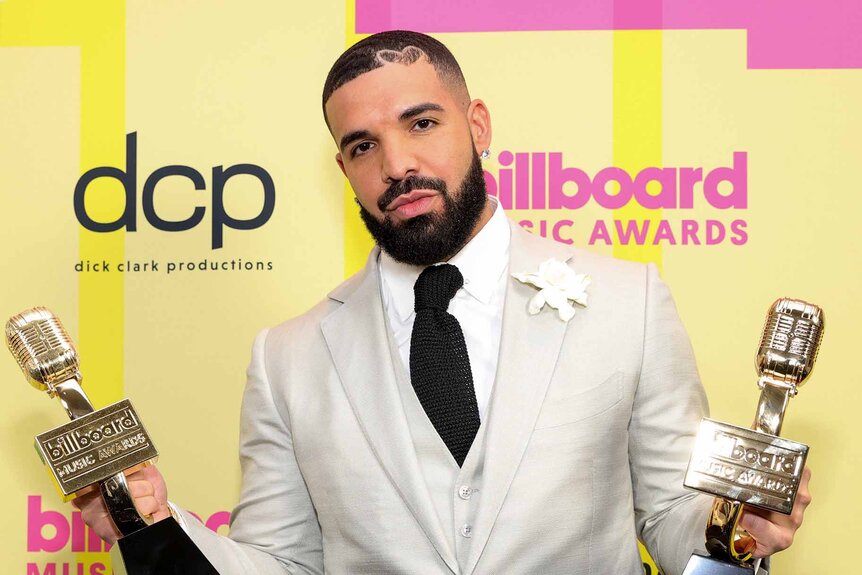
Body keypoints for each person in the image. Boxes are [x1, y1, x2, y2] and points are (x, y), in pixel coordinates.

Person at [73, 30, 810, 574]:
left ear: (477, 125)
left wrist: (735, 526)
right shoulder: (287, 357)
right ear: (343, 167)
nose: (398, 165)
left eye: (422, 124)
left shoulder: (630, 302)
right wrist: (161, 525)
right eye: (363, 146)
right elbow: (282, 561)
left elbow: (673, 519)